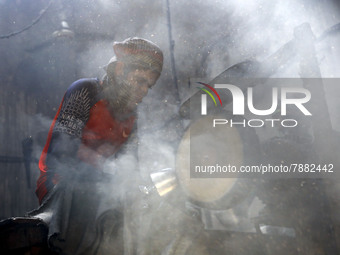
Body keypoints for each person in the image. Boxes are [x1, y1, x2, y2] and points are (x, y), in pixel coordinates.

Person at [29, 37, 164, 255]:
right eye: (140, 81)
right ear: (120, 69)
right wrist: (107, 169)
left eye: (149, 85)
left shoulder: (132, 116)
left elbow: (132, 164)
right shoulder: (85, 91)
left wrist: (143, 188)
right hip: (60, 184)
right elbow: (63, 150)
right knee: (96, 202)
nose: (145, 90)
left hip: (104, 188)